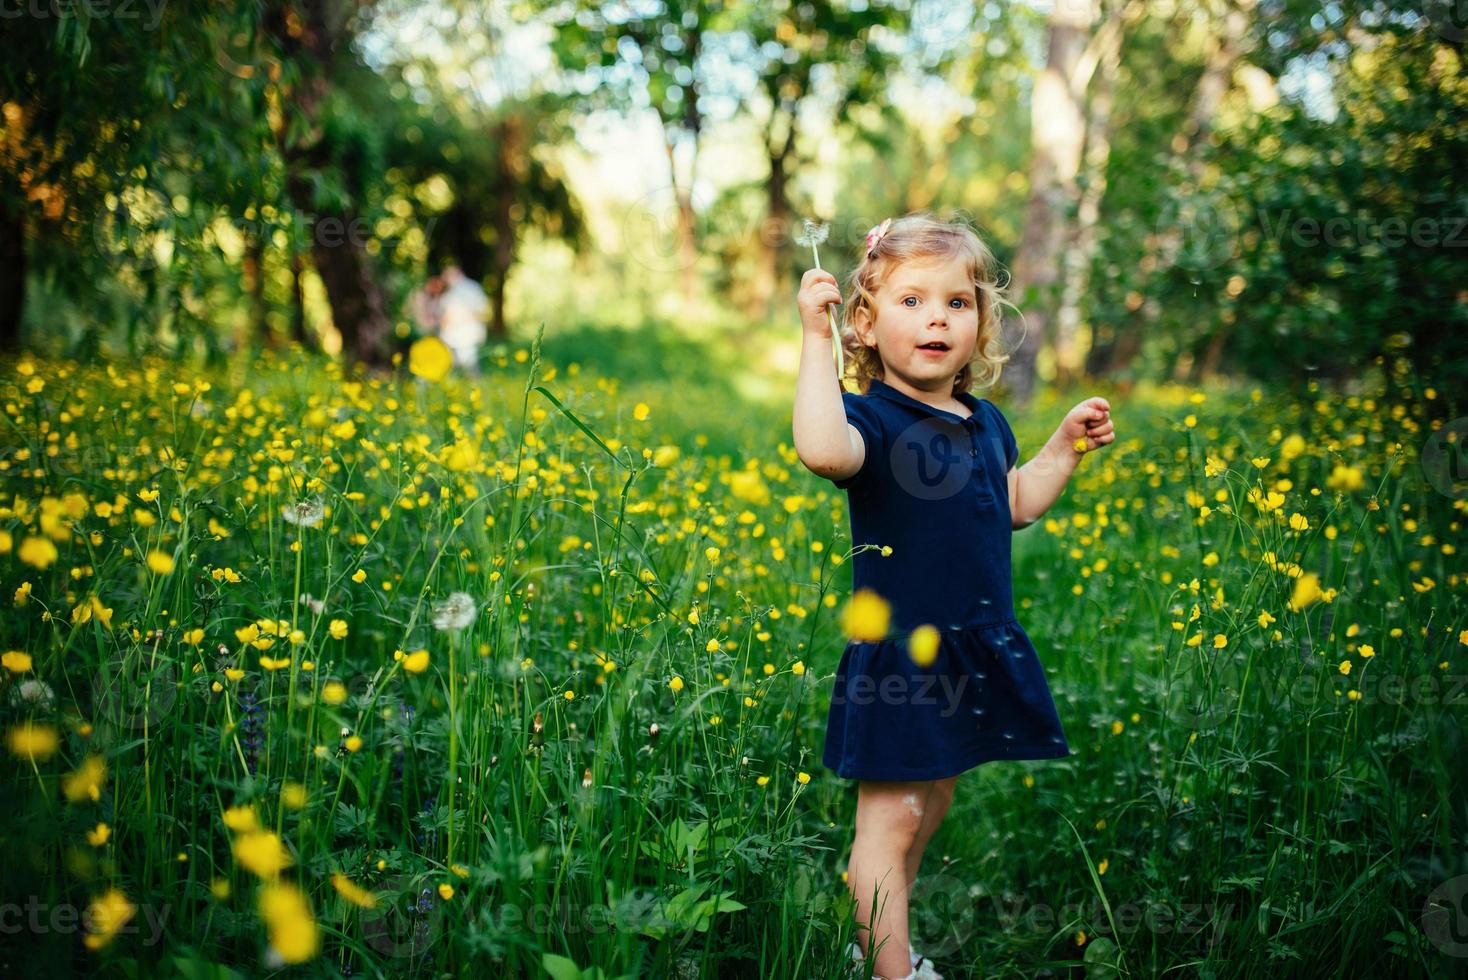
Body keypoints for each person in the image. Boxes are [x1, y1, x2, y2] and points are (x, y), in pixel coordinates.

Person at [792, 211, 1116, 980]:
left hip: (969, 647)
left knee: (930, 803)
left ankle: (877, 926)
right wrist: (813, 342)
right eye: (911, 301)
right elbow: (821, 449)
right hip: (906, 658)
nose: (936, 316)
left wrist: (1061, 447)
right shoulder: (868, 418)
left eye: (957, 302)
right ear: (864, 325)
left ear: (981, 323)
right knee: (891, 822)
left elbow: (1010, 504)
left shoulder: (984, 421)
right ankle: (891, 970)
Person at [436, 265, 489, 377]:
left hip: (465, 335)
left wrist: (458, 316)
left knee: (470, 367)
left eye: (447, 276)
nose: (445, 280)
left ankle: (477, 390)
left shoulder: (469, 288)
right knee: (453, 368)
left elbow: (482, 311)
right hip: (452, 336)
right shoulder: (453, 290)